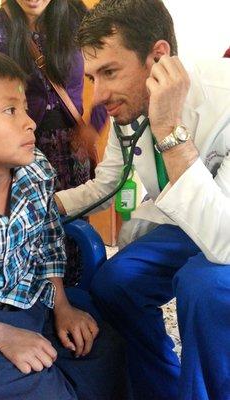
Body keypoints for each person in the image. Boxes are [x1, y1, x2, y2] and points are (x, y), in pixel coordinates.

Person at [0, 47, 129, 400]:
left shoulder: (35, 172)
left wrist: (62, 306)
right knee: (42, 389)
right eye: (10, 110)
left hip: (28, 302)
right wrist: (1, 336)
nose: (30, 122)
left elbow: (48, 241)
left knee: (104, 351)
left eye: (23, 108)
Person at [55, 0, 230, 399]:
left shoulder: (226, 98)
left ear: (159, 57)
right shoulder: (128, 110)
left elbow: (225, 242)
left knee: (202, 286)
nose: (99, 96)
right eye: (93, 77)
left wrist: (168, 127)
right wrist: (41, 204)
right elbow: (106, 185)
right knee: (117, 281)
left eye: (110, 73)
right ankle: (161, 389)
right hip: (187, 225)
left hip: (226, 232)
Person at [0, 0, 107, 287]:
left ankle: (74, 299)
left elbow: (110, 68)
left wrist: (96, 123)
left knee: (72, 230)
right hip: (18, 152)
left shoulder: (80, 18)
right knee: (27, 232)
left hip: (72, 147)